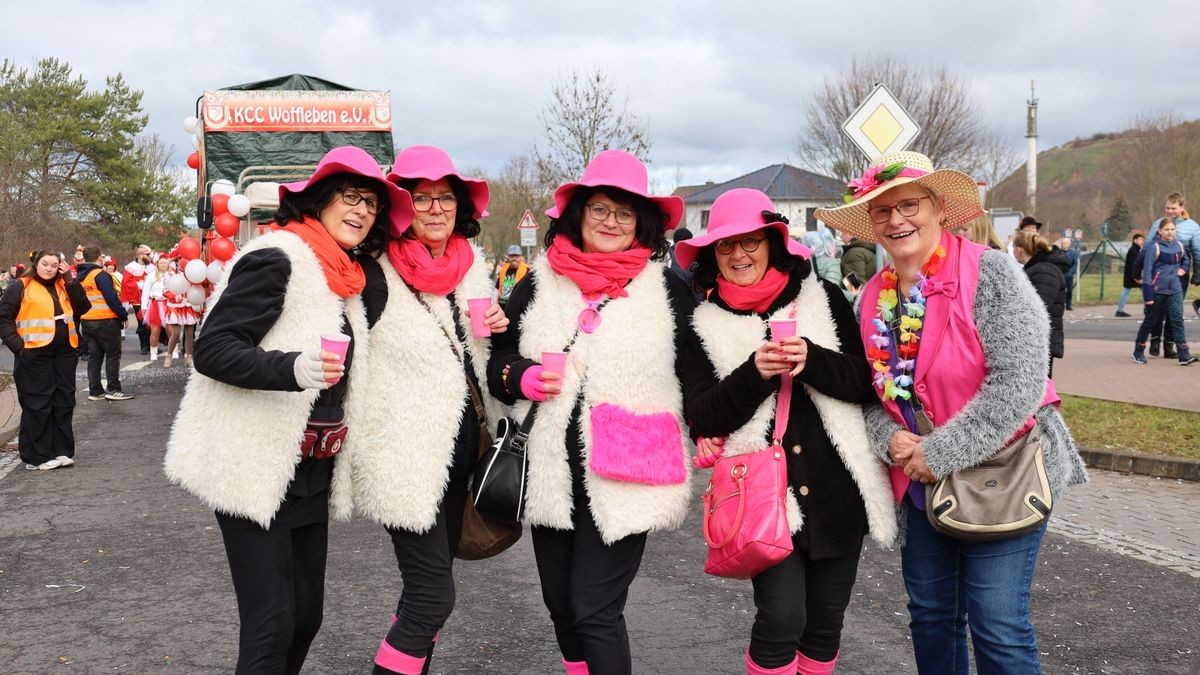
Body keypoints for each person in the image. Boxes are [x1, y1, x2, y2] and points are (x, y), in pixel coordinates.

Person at [815, 151, 1088, 674]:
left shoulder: (992, 273)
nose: (897, 220)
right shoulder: (870, 297)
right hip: (922, 486)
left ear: (940, 209)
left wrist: (938, 452)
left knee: (997, 623)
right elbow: (868, 393)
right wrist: (887, 440)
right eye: (882, 212)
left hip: (1006, 472)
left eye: (909, 205)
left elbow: (1019, 384)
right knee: (932, 617)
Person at [164, 146, 412, 674]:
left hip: (309, 472)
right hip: (253, 464)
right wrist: (293, 368)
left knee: (305, 618)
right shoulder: (278, 257)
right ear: (319, 201)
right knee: (271, 624)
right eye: (350, 197)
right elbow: (212, 348)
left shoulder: (344, 275)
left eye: (371, 203)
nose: (362, 210)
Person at [486, 149, 695, 674]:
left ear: (641, 223)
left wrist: (715, 427)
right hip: (551, 470)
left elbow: (702, 370)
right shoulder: (540, 281)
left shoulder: (667, 289)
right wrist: (521, 375)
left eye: (624, 213)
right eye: (600, 209)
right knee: (562, 609)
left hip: (629, 468)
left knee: (594, 609)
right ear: (579, 213)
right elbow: (498, 358)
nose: (611, 221)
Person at [676, 189, 896, 675]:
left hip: (838, 489)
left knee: (823, 624)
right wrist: (755, 372)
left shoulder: (825, 299)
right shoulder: (703, 326)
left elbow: (869, 383)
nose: (739, 255)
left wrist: (812, 359)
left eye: (751, 242)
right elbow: (703, 415)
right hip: (763, 497)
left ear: (774, 243)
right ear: (713, 254)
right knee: (780, 620)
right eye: (726, 246)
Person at [340, 145, 507, 675]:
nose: (435, 208)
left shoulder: (471, 270)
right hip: (405, 464)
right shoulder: (372, 275)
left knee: (425, 599)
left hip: (463, 454)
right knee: (433, 596)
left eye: (445, 198)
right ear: (402, 208)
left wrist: (500, 334)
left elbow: (484, 359)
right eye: (421, 198)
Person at [0, 251, 90, 470]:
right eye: (45, 264)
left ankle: (62, 450)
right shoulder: (21, 286)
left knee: (64, 400)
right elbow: (4, 317)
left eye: (54, 265)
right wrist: (18, 347)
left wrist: (70, 280)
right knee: (38, 403)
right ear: (36, 264)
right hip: (33, 353)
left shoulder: (64, 284)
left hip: (64, 351)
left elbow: (83, 307)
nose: (49, 268)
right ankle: (37, 456)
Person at [1133, 218, 1196, 365]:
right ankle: (1138, 351)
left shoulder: (1179, 245)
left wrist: (1184, 269)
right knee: (1150, 322)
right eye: (1167, 229)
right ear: (1160, 231)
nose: (1170, 232)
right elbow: (1147, 273)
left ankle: (1183, 353)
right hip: (1157, 291)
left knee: (1177, 320)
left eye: (1172, 229)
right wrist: (1148, 296)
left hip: (1175, 290)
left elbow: (1186, 259)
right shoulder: (1153, 247)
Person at [1144, 193, 1200, 354]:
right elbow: (1148, 247)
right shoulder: (1158, 223)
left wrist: (1198, 273)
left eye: (1173, 208)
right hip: (1158, 274)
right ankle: (1155, 340)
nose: (1169, 211)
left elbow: (1197, 251)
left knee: (1174, 311)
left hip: (1179, 275)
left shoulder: (1192, 227)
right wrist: (1138, 269)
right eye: (1167, 208)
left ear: (1182, 208)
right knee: (1157, 309)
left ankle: (1169, 345)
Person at [76, 245, 133, 401]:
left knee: (95, 357)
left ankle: (95, 391)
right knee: (112, 354)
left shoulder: (80, 277)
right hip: (105, 320)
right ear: (99, 258)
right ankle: (114, 389)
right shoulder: (100, 275)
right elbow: (111, 298)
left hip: (87, 321)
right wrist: (122, 315)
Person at [1013, 230, 1069, 377]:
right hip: (1035, 340)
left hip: (1039, 341)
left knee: (1040, 391)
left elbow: (1038, 307)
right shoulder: (1038, 268)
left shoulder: (1044, 270)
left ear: (1019, 250)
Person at [121, 244, 154, 353]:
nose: (150, 256)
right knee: (141, 323)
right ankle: (144, 346)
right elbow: (126, 283)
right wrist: (139, 285)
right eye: (148, 254)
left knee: (152, 323)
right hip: (137, 300)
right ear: (140, 255)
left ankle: (152, 345)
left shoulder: (152, 267)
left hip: (151, 299)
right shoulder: (130, 267)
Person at [1117, 232, 1144, 317]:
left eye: (1142, 239)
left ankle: (1120, 310)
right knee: (1144, 291)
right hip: (1133, 276)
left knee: (1143, 291)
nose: (1142, 241)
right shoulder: (1133, 251)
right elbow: (1135, 265)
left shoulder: (1135, 250)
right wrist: (1138, 277)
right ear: (1134, 240)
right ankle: (1120, 310)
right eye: (1140, 239)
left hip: (1132, 276)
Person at [496, 243, 529, 307]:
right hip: (502, 307)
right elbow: (497, 288)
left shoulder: (527, 271)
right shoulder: (503, 270)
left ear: (521, 257)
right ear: (508, 256)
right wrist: (494, 303)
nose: (514, 258)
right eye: (512, 256)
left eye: (517, 256)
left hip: (517, 308)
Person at [1059, 235, 1079, 311]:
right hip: (1060, 274)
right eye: (1063, 243)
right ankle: (1061, 304)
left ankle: (1069, 305)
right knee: (1060, 290)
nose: (1064, 244)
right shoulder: (1058, 252)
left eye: (1065, 243)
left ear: (1069, 244)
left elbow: (1075, 264)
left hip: (1069, 275)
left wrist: (1071, 272)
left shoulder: (1073, 253)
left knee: (1069, 290)